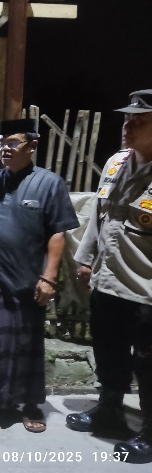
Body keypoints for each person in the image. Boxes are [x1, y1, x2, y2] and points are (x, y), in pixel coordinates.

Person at [0, 118, 79, 433]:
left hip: (26, 280)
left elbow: (58, 232)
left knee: (25, 345)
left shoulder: (49, 184)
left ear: (33, 145)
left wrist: (49, 277)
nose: (5, 148)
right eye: (2, 142)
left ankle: (29, 404)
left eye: (13, 142)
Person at [66, 90, 152, 464]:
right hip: (108, 280)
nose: (128, 126)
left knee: (148, 364)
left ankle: (150, 433)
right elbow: (98, 219)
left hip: (146, 289)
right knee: (109, 351)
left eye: (139, 121)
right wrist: (86, 260)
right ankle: (110, 409)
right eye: (127, 118)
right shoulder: (116, 163)